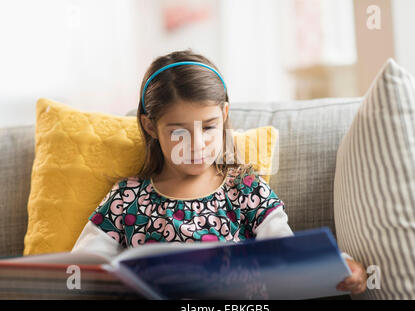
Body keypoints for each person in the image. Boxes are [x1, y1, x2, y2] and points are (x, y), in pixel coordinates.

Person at [72, 49, 367, 295]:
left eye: (209, 127)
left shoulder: (245, 189)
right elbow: (80, 268)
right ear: (151, 127)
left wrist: (343, 265)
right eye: (178, 132)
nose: (197, 144)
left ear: (224, 115)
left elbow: (287, 250)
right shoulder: (127, 197)